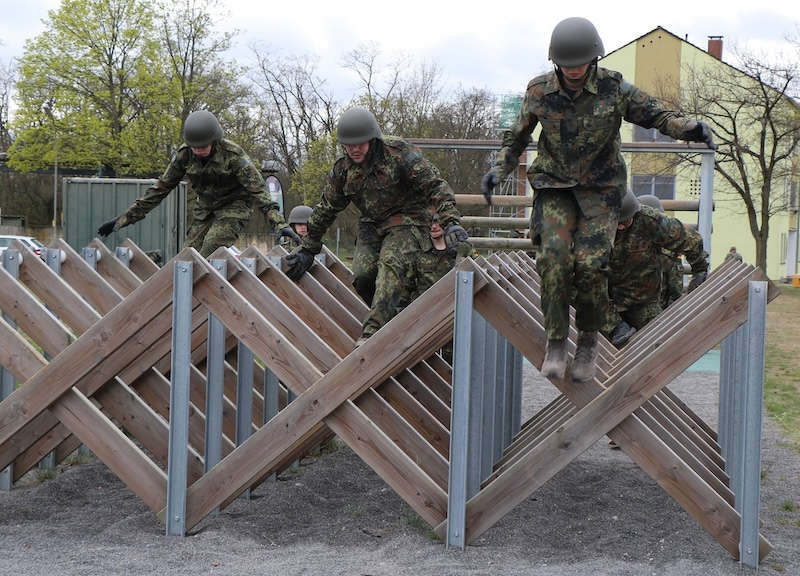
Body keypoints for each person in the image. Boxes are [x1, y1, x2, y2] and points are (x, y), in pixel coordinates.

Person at [480, 16, 716, 381]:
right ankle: (557, 341)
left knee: (591, 265)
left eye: (580, 64)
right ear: (556, 62)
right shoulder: (539, 91)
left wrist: (689, 129)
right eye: (566, 65)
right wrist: (500, 170)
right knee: (554, 257)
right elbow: (517, 137)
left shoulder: (614, 88)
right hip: (555, 188)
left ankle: (589, 340)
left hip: (600, 190)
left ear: (593, 60)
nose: (573, 71)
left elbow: (655, 114)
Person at [284, 106, 466, 344]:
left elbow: (436, 187)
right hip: (372, 223)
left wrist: (450, 221)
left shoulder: (399, 154)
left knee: (390, 265)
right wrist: (309, 247)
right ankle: (393, 315)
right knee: (362, 276)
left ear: (372, 139)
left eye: (360, 143)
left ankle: (373, 334)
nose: (354, 149)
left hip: (409, 219)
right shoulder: (344, 170)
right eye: (349, 145)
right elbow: (327, 207)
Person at [97, 110, 299, 256]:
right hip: (205, 209)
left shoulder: (234, 157)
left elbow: (260, 192)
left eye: (203, 146)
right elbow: (158, 191)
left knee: (210, 248)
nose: (198, 150)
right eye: (194, 147)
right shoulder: (184, 156)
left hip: (233, 207)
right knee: (188, 256)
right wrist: (122, 220)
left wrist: (279, 223)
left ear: (214, 141)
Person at [603, 190, 708, 348]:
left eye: (627, 221)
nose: (623, 226)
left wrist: (699, 269)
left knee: (659, 346)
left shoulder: (648, 220)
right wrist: (613, 324)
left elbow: (688, 239)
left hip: (642, 300)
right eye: (619, 223)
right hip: (603, 305)